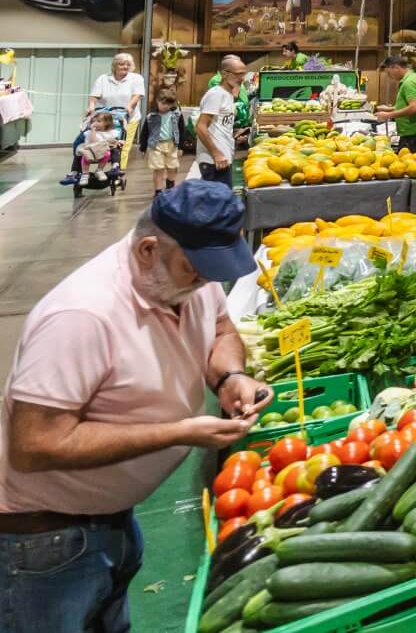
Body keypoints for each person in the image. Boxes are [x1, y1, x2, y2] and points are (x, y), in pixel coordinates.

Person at [0, 183, 271, 632]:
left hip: (113, 520)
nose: (206, 279)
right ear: (148, 249)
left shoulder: (184, 277)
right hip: (47, 543)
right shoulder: (82, 315)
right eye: (197, 269)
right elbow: (33, 444)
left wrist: (229, 377)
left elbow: (221, 328)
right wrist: (180, 432)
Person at [69, 52, 146, 183]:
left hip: (127, 118)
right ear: (115, 65)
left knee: (123, 145)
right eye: (122, 64)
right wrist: (91, 106)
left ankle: (118, 170)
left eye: (128, 64)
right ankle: (78, 170)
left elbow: (137, 95)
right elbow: (94, 96)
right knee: (87, 140)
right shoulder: (103, 79)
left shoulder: (136, 78)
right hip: (104, 117)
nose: (125, 67)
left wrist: (129, 106)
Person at [195, 55, 247, 183]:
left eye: (243, 74)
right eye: (238, 74)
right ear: (225, 74)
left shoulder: (228, 95)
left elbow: (219, 126)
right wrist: (216, 154)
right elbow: (200, 126)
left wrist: (235, 135)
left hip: (222, 159)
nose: (242, 78)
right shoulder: (216, 94)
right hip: (214, 162)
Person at [137, 93, 191, 194]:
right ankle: (158, 191)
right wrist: (143, 148)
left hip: (172, 144)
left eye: (169, 104)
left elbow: (182, 130)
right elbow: (145, 132)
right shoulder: (151, 117)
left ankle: (170, 187)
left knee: (172, 167)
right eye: (163, 103)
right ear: (157, 101)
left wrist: (181, 147)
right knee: (158, 169)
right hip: (156, 145)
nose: (166, 106)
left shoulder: (176, 115)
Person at [373, 54, 416, 153]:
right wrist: (391, 108)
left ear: (396, 68)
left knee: (409, 163)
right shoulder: (411, 78)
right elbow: (408, 104)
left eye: (389, 74)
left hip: (412, 131)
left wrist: (389, 115)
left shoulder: (409, 83)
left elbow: (414, 107)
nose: (390, 77)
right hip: (410, 130)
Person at [79, 111, 121, 182]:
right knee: (85, 155)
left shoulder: (111, 132)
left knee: (109, 153)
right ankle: (85, 174)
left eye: (98, 121)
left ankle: (99, 170)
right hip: (91, 151)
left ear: (107, 123)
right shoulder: (89, 132)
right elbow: (93, 143)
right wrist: (93, 130)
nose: (95, 123)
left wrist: (118, 142)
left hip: (104, 152)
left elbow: (113, 141)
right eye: (93, 121)